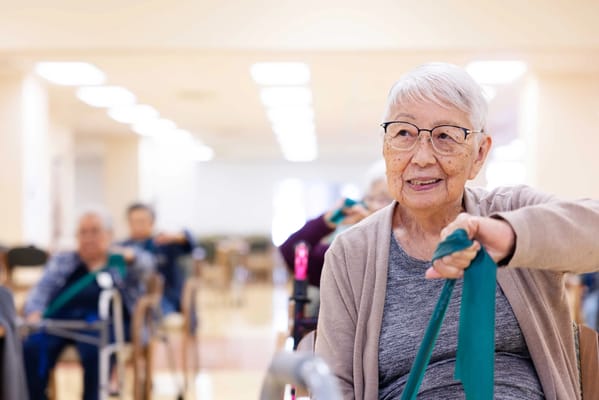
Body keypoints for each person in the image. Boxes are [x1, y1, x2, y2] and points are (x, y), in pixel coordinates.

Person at [315, 62, 599, 399]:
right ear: (385, 146)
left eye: (445, 136)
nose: (421, 157)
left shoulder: (512, 209)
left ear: (479, 154)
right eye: (403, 133)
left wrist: (507, 237)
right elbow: (333, 385)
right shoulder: (352, 252)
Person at [22, 207, 155, 400]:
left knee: (97, 352)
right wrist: (34, 311)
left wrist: (130, 257)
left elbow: (147, 266)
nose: (88, 238)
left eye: (95, 231)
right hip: (62, 321)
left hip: (104, 323)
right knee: (31, 348)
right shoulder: (64, 260)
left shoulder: (121, 260)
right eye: (83, 232)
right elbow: (42, 289)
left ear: (109, 235)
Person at [279, 174, 392, 317]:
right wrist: (327, 221)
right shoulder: (343, 254)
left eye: (384, 199)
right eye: (370, 198)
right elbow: (290, 250)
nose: (375, 206)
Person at [121, 202, 194, 315]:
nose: (138, 226)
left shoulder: (164, 243)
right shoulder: (123, 247)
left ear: (152, 222)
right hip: (132, 298)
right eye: (134, 221)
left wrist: (177, 237)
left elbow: (190, 244)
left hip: (164, 299)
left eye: (142, 221)